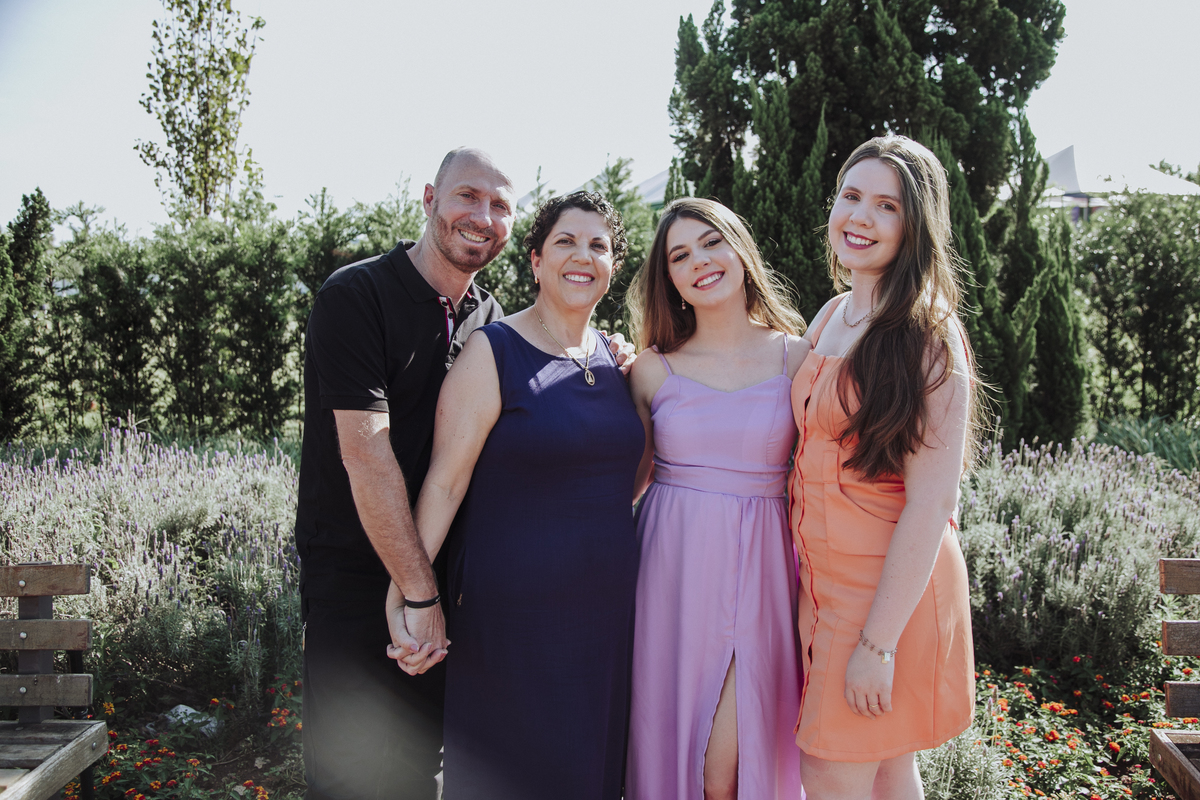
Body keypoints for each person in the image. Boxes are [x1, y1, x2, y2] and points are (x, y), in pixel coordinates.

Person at [295, 149, 630, 800]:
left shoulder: (488, 318)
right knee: (346, 778)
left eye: (500, 205)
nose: (482, 216)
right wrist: (417, 593)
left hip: (446, 579)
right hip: (358, 579)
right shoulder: (357, 297)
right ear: (430, 199)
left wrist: (605, 357)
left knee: (416, 773)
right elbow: (367, 456)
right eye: (467, 196)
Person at [388, 191, 644, 800]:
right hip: (512, 622)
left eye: (598, 245)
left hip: (607, 617)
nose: (582, 256)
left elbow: (628, 477)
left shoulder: (617, 360)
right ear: (535, 260)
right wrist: (406, 593)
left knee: (590, 773)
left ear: (612, 266)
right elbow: (445, 483)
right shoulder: (493, 350)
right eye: (565, 242)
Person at [789, 134, 981, 800]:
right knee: (890, 770)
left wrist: (878, 645)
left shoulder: (927, 334)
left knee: (828, 770)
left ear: (915, 226)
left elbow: (933, 503)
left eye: (887, 206)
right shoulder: (830, 315)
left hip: (887, 598)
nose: (860, 217)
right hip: (826, 583)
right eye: (851, 196)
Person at [624, 198, 810, 800]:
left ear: (740, 250)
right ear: (670, 279)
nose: (699, 261)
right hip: (671, 575)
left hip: (764, 570)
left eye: (711, 243)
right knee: (676, 746)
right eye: (680, 256)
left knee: (727, 764)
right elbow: (625, 484)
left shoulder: (798, 356)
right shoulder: (651, 370)